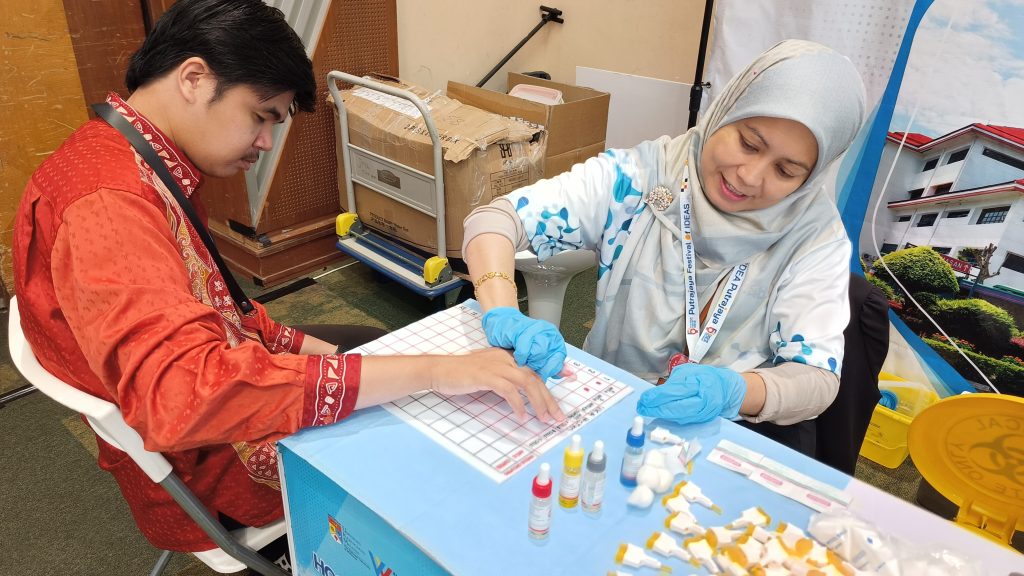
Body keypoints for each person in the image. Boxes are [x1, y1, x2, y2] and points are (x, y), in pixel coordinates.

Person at [12, 0, 562, 564]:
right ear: (194, 78)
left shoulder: (124, 153)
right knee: (423, 416)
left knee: (369, 347)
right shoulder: (109, 204)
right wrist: (434, 372)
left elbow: (213, 303)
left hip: (201, 391)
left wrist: (304, 349)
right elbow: (182, 396)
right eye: (261, 115)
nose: (266, 141)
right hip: (211, 465)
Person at [463, 40, 866, 451]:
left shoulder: (815, 237)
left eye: (785, 170)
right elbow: (495, 221)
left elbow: (817, 379)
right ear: (727, 110)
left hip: (725, 431)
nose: (749, 176)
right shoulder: (641, 177)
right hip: (609, 399)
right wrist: (503, 311)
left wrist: (734, 391)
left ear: (811, 178)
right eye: (749, 143)